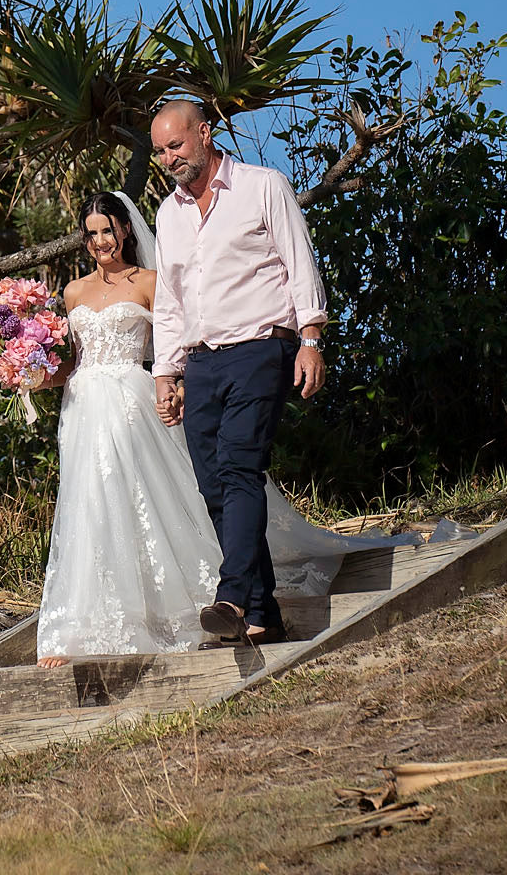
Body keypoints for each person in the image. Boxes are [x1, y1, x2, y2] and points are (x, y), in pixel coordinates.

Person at [151, 99, 327, 647]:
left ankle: (231, 596)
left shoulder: (262, 185)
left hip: (260, 349)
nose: (167, 158)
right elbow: (170, 302)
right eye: (159, 151)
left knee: (239, 466)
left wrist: (312, 339)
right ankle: (263, 612)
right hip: (201, 361)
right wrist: (166, 373)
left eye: (175, 145)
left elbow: (300, 263)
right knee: (212, 486)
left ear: (205, 134)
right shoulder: (168, 214)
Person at [36, 190, 223, 668]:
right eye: (92, 233)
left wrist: (176, 386)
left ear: (125, 229)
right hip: (81, 406)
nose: (101, 241)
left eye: (108, 230)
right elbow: (71, 363)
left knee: (140, 496)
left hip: (131, 400)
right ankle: (80, 623)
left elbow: (175, 344)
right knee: (88, 503)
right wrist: (26, 371)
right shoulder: (73, 292)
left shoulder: (150, 282)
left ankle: (172, 606)